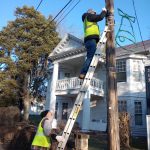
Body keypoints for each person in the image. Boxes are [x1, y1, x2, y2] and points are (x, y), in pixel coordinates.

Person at [79, 8, 107, 79]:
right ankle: (83, 73)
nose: (94, 15)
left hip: (89, 40)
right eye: (94, 13)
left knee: (89, 57)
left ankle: (84, 72)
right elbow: (100, 17)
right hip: (91, 40)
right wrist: (104, 11)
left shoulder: (86, 19)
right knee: (90, 58)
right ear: (91, 13)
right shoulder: (89, 16)